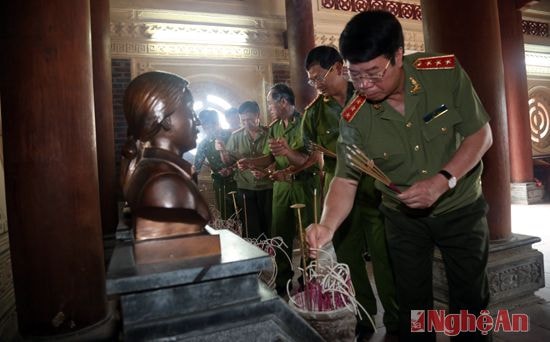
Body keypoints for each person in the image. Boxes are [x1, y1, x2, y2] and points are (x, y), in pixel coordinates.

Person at [306, 10, 493, 342]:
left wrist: (442, 180)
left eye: (373, 74)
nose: (363, 85)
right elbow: (346, 179)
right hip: (402, 218)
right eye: (354, 74)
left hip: (460, 207)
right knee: (413, 307)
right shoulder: (354, 116)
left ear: (398, 56)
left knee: (470, 305)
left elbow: (480, 136)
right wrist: (327, 225)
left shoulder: (443, 74)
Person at [301, 45, 398, 335]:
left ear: (339, 68)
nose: (316, 84)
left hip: (376, 191)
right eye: (311, 80)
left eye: (319, 76)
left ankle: (395, 321)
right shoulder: (314, 113)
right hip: (339, 192)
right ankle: (364, 318)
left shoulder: (371, 95)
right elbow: (310, 151)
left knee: (384, 258)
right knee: (349, 259)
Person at [238, 83, 319, 295]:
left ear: (283, 102)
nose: (269, 107)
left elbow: (311, 159)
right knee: (280, 234)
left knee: (307, 234)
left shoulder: (305, 123)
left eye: (270, 103)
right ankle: (283, 278)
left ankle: (307, 278)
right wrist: (251, 162)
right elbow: (270, 157)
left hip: (304, 185)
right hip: (281, 188)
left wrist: (289, 155)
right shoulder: (274, 127)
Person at [120, 71, 211, 241]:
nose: (197, 121)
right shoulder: (166, 183)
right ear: (165, 118)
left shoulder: (151, 168)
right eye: (191, 109)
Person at [220, 101, 273, 239]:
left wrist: (266, 171)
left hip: (267, 185)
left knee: (269, 224)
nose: (246, 124)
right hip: (245, 186)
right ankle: (256, 256)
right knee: (250, 226)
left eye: (250, 119)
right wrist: (222, 151)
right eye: (243, 120)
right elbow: (229, 161)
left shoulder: (270, 133)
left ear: (258, 115)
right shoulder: (236, 136)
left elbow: (275, 159)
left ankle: (271, 255)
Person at [193, 109, 238, 220]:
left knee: (245, 215)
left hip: (239, 181)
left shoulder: (231, 135)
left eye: (210, 124)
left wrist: (232, 168)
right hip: (219, 184)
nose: (207, 128)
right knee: (227, 217)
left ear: (217, 122)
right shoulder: (203, 144)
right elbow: (196, 167)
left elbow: (243, 157)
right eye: (204, 125)